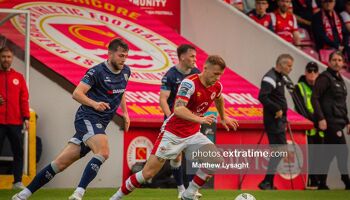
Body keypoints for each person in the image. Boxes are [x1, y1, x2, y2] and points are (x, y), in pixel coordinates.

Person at [12, 38, 131, 200]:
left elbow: (121, 90)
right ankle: (78, 193)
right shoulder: (96, 72)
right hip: (87, 117)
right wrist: (94, 104)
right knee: (103, 152)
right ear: (110, 54)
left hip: (99, 125)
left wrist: (125, 113)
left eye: (126, 56)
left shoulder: (126, 71)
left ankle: (22, 195)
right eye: (121, 56)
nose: (123, 59)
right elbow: (77, 93)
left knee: (59, 164)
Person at [109, 55, 239, 200]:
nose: (218, 78)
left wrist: (223, 117)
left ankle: (189, 194)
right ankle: (115, 197)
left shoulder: (217, 86)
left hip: (192, 134)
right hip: (172, 134)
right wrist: (200, 119)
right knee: (147, 174)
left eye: (220, 74)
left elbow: (219, 98)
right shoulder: (189, 84)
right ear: (206, 68)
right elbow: (178, 109)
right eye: (215, 74)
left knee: (216, 160)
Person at [159, 44, 201, 199]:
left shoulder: (197, 73)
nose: (194, 60)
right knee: (176, 157)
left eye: (195, 57)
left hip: (190, 120)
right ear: (182, 57)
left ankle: (192, 190)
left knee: (194, 153)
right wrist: (170, 117)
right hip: (174, 121)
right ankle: (180, 189)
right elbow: (163, 99)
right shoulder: (170, 75)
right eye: (192, 56)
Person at [311, 50, 350, 190]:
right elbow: (314, 98)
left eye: (340, 60)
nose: (337, 62)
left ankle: (321, 182)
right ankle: (346, 180)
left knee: (329, 153)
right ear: (329, 62)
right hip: (330, 121)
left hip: (339, 121)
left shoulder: (340, 80)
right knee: (342, 152)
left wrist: (347, 121)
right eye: (334, 60)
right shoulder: (324, 78)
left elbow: (341, 103)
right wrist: (321, 118)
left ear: (343, 63)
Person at [258, 54, 293, 190]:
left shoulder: (279, 77)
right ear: (281, 64)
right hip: (273, 120)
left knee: (279, 151)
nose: (290, 69)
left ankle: (268, 182)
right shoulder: (270, 77)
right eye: (289, 66)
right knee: (279, 150)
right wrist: (277, 109)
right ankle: (266, 182)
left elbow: (277, 97)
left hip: (279, 120)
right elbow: (262, 97)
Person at [0, 46, 30, 189]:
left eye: (9, 57)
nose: (6, 59)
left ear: (12, 59)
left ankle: (17, 182)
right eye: (3, 56)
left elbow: (24, 99)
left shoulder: (18, 77)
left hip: (15, 122)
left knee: (18, 152)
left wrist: (26, 118)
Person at [293, 61, 324, 189]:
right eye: (309, 71)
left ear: (318, 73)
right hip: (307, 127)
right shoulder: (299, 87)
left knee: (320, 155)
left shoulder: (322, 87)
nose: (312, 74)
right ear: (305, 72)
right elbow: (300, 108)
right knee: (309, 156)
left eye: (314, 71)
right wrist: (314, 121)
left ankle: (319, 181)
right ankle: (311, 181)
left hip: (320, 127)